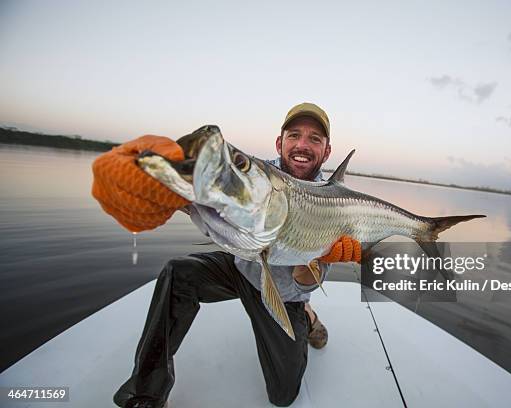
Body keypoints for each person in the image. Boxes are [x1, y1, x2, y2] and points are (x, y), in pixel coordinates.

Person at [92, 103, 361, 408]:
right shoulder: (258, 174)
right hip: (242, 268)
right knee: (179, 273)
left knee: (284, 395)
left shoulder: (335, 204)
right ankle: (146, 395)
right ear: (280, 142)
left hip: (286, 294)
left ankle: (308, 316)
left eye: (315, 139)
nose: (302, 145)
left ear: (326, 152)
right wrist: (149, 184)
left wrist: (321, 256)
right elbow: (208, 194)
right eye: (294, 135)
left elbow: (303, 279)